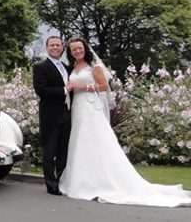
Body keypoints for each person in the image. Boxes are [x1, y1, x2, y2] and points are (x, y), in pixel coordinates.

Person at [59, 37, 191, 207]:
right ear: (70, 52)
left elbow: (103, 86)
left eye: (79, 48)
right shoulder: (73, 67)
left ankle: (106, 181)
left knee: (97, 141)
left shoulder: (95, 67)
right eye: (74, 50)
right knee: (80, 142)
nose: (77, 51)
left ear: (85, 48)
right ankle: (81, 179)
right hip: (78, 108)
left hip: (91, 107)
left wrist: (81, 87)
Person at [32, 36, 73, 195]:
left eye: (58, 45)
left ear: (62, 48)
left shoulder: (66, 67)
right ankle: (51, 184)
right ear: (46, 48)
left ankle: (62, 180)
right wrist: (64, 90)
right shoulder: (41, 67)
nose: (55, 47)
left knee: (63, 150)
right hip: (50, 115)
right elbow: (41, 90)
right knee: (49, 151)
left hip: (67, 113)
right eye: (52, 45)